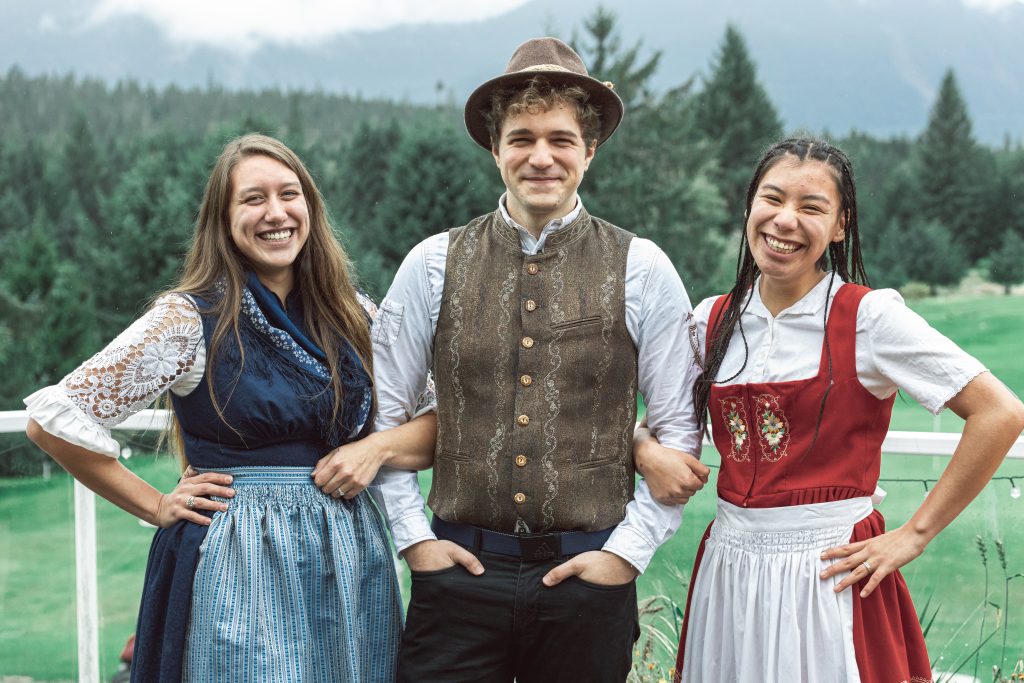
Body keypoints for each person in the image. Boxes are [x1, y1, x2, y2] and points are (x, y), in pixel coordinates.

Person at [24, 133, 436, 682]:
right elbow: (52, 421)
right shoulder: (188, 320)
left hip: (348, 557)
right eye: (253, 199)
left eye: (289, 195)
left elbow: (437, 424)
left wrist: (374, 448)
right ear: (223, 219)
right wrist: (155, 505)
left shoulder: (352, 315)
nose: (275, 213)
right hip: (238, 557)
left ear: (310, 207)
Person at [366, 37, 709, 683]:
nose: (541, 156)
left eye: (560, 139)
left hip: (588, 576)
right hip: (457, 576)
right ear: (495, 148)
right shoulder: (431, 263)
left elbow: (678, 433)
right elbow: (384, 417)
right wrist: (414, 542)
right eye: (522, 138)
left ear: (590, 149)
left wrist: (625, 557)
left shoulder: (643, 266)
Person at [633, 137, 1024, 682]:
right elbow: (658, 423)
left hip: (831, 573)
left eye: (812, 207)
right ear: (749, 208)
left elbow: (1000, 412)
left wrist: (914, 535)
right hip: (730, 563)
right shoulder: (711, 321)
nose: (785, 220)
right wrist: (643, 449)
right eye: (772, 199)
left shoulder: (869, 320)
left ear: (840, 225)